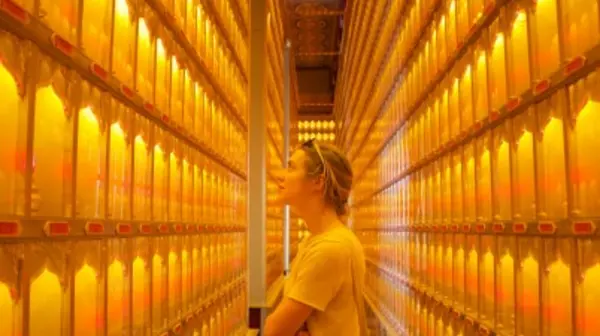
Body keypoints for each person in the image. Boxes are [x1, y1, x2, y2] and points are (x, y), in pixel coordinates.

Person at [264, 139, 368, 336]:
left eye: (291, 168)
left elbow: (274, 331)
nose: (281, 177)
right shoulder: (317, 240)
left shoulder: (330, 248)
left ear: (318, 182)